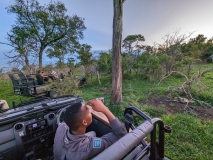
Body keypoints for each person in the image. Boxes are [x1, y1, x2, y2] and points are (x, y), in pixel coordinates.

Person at [54, 99, 127, 160]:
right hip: (79, 151)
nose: (91, 112)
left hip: (63, 154)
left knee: (92, 133)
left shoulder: (62, 127)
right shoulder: (89, 146)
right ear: (84, 122)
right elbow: (121, 133)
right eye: (89, 112)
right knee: (94, 133)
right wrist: (104, 109)